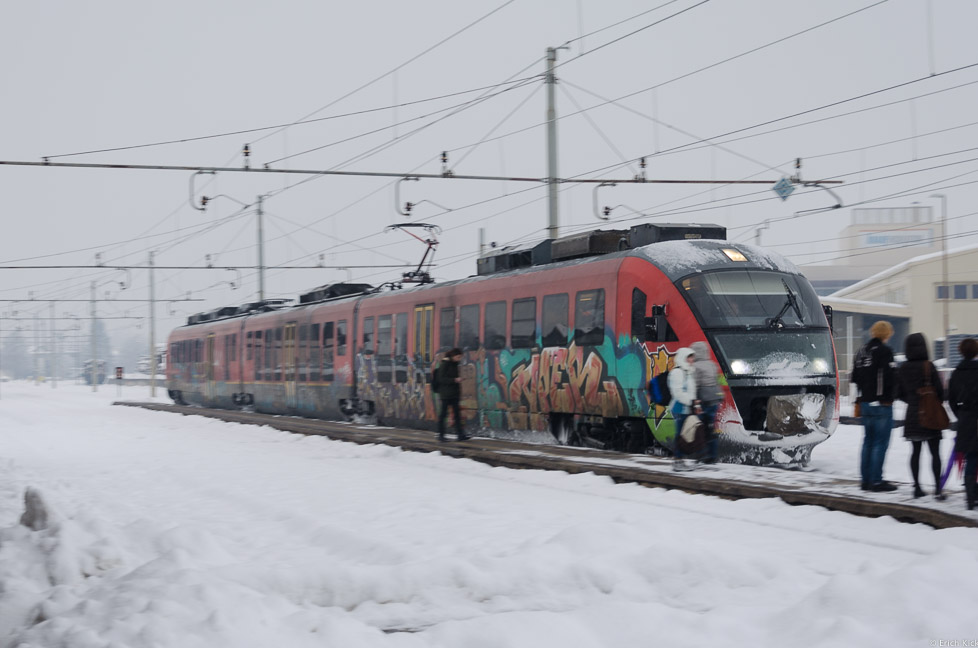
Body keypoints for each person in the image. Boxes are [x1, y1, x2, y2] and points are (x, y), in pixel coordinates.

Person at [894, 332, 945, 500]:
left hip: (912, 416)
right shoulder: (929, 366)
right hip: (930, 415)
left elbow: (898, 393)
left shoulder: (903, 368)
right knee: (935, 453)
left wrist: (912, 399)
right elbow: (940, 392)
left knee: (915, 452)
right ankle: (938, 488)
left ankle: (917, 487)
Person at [852, 320, 898, 492]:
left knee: (868, 442)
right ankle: (877, 481)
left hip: (865, 402)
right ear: (887, 334)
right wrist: (890, 395)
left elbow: (855, 377)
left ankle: (866, 481)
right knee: (880, 442)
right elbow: (890, 376)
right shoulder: (885, 351)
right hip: (881, 403)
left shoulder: (861, 351)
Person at [948, 337, 978, 510]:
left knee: (971, 457)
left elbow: (951, 399)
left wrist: (960, 415)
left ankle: (969, 496)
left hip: (965, 419)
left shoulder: (956, 373)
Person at [690, 341, 724, 464]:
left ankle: (702, 455)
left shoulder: (696, 367)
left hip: (702, 400)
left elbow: (695, 385)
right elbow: (716, 382)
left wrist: (694, 402)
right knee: (711, 428)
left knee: (700, 429)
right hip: (714, 399)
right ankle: (713, 455)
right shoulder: (712, 364)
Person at [667, 347, 696, 471]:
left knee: (683, 435)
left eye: (692, 357)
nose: (691, 360)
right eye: (689, 357)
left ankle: (680, 460)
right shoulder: (677, 373)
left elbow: (691, 391)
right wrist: (691, 401)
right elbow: (677, 392)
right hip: (679, 408)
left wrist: (695, 404)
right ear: (682, 357)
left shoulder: (687, 372)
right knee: (680, 435)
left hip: (686, 408)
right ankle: (677, 461)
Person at [434, 348, 468, 442]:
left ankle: (460, 435)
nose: (459, 359)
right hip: (446, 394)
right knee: (443, 415)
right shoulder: (445, 364)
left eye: (460, 357)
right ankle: (441, 435)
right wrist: (454, 380)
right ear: (453, 356)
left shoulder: (454, 364)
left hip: (454, 393)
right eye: (458, 357)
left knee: (457, 415)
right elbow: (441, 379)